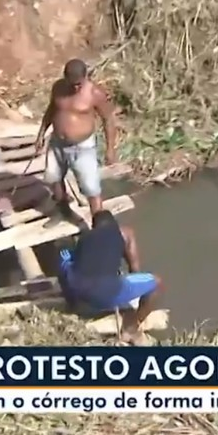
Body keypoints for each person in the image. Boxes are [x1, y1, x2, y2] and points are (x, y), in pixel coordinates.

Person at [34, 58, 117, 227]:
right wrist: (41, 134)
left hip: (83, 147)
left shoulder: (94, 93)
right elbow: (51, 110)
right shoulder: (58, 88)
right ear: (65, 78)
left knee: (91, 188)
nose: (75, 88)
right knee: (53, 179)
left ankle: (99, 226)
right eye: (72, 84)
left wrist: (110, 149)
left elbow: (108, 119)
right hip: (57, 144)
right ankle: (63, 211)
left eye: (79, 84)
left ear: (85, 77)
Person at [57, 210, 162, 339]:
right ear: (114, 224)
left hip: (78, 290)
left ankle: (72, 303)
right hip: (107, 295)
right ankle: (132, 327)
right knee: (157, 282)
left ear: (94, 225)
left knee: (64, 256)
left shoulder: (84, 238)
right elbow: (134, 268)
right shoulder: (124, 233)